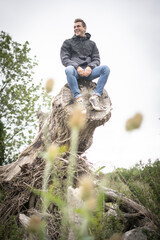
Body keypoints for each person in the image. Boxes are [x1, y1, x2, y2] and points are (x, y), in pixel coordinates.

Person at [60, 18, 110, 112]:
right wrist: (77, 67)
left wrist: (90, 67)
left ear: (84, 28)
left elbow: (96, 59)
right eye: (74, 27)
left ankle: (95, 97)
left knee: (105, 69)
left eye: (78, 26)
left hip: (89, 72)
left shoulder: (92, 44)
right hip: (75, 72)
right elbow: (64, 59)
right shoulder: (68, 42)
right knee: (68, 70)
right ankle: (78, 99)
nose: (76, 28)